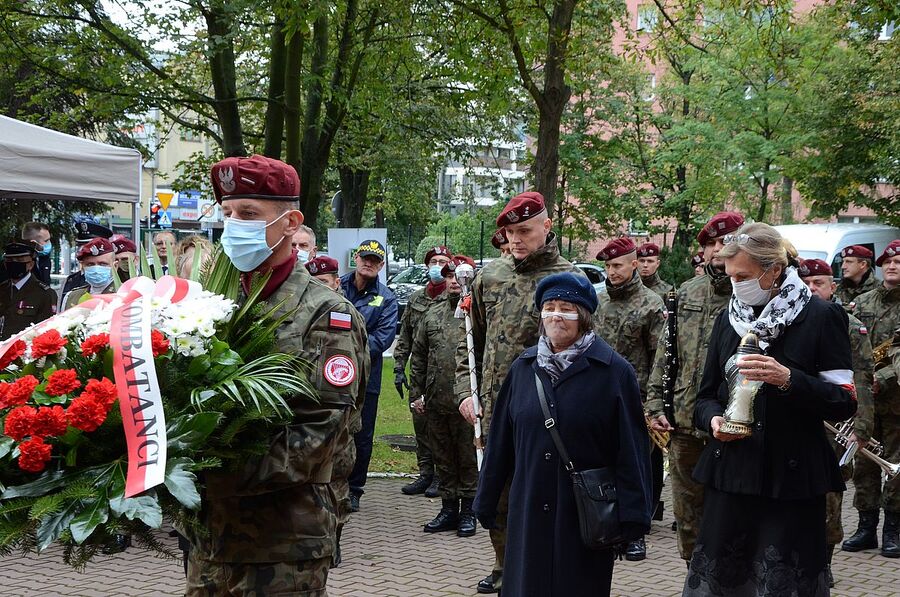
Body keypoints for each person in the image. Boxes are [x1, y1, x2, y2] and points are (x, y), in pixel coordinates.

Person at [183, 154, 369, 596]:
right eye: (227, 214)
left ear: (291, 223)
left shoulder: (327, 316)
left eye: (249, 214)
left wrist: (207, 474)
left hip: (285, 537)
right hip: (209, 534)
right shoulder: (206, 307)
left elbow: (320, 435)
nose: (234, 225)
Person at [683, 222, 857, 596]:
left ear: (774, 270)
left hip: (792, 480)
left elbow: (843, 400)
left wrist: (788, 379)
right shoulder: (728, 318)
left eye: (743, 275)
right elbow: (704, 397)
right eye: (729, 276)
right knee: (724, 584)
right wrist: (713, 419)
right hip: (732, 474)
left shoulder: (822, 317)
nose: (736, 284)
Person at [474, 272, 653, 597]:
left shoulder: (613, 372)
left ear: (583, 317)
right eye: (550, 307)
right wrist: (485, 498)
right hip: (527, 511)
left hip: (583, 518)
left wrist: (634, 517)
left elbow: (632, 450)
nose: (556, 315)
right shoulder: (523, 369)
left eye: (567, 308)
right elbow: (500, 442)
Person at [456, 191, 586, 595]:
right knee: (497, 490)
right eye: (510, 232)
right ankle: (503, 563)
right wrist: (466, 390)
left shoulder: (568, 279)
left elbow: (585, 348)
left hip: (545, 408)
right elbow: (468, 340)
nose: (516, 239)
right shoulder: (491, 275)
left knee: (541, 491)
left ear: (546, 227)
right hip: (495, 407)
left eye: (525, 231)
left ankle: (542, 566)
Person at [647, 211, 744, 565]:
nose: (718, 250)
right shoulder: (685, 292)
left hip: (736, 424)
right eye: (711, 244)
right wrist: (656, 404)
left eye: (727, 242)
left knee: (734, 510)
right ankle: (696, 577)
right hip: (686, 422)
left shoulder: (755, 292)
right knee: (688, 514)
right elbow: (666, 354)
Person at [798, 257, 875, 585]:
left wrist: (862, 426)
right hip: (797, 420)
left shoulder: (848, 323)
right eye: (807, 284)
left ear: (833, 286)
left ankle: (823, 561)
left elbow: (862, 377)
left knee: (830, 493)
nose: (812, 289)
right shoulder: (786, 318)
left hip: (834, 424)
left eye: (819, 283)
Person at [595, 236, 665, 561]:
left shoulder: (651, 304)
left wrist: (653, 406)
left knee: (634, 469)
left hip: (634, 401)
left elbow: (659, 360)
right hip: (598, 401)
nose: (612, 271)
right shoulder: (599, 303)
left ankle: (636, 534)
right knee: (599, 466)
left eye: (617, 265)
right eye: (608, 266)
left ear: (634, 264)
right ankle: (605, 528)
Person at [410, 254, 479, 537]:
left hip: (467, 401)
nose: (454, 282)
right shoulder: (433, 313)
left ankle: (469, 511)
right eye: (449, 276)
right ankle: (448, 507)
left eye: (459, 276)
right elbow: (420, 356)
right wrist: (417, 393)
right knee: (443, 458)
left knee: (468, 457)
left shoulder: (478, 310)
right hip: (437, 400)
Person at [844, 239, 900, 558]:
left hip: (896, 399)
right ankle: (866, 527)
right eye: (887, 263)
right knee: (863, 463)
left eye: (898, 262)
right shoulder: (863, 302)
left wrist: (884, 377)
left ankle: (893, 529)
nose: (891, 266)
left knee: (895, 465)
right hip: (865, 398)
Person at [341, 239, 398, 512]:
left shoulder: (386, 298)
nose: (369, 263)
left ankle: (354, 489)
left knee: (362, 435)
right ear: (356, 258)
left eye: (375, 260)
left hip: (365, 377)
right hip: (332, 375)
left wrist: (346, 350)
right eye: (365, 258)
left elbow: (383, 339)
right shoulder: (337, 286)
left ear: (381, 265)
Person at [394, 245, 453, 497]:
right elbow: (405, 337)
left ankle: (442, 476)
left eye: (443, 261)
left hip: (443, 374)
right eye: (433, 261)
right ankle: (425, 473)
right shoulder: (417, 299)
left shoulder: (455, 298)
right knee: (421, 424)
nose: (437, 266)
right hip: (420, 374)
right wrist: (398, 368)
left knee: (441, 427)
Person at [0, 240, 56, 339]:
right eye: (10, 261)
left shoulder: (44, 293)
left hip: (25, 351)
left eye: (19, 261)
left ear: (30, 264)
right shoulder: (2, 289)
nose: (14, 264)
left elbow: (45, 332)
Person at [61, 238, 116, 311]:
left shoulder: (125, 294)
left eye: (103, 264)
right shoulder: (71, 297)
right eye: (90, 264)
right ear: (83, 267)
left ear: (115, 266)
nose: (96, 269)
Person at [61, 220, 113, 296]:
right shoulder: (71, 281)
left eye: (90, 245)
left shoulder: (122, 287)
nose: (84, 249)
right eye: (80, 246)